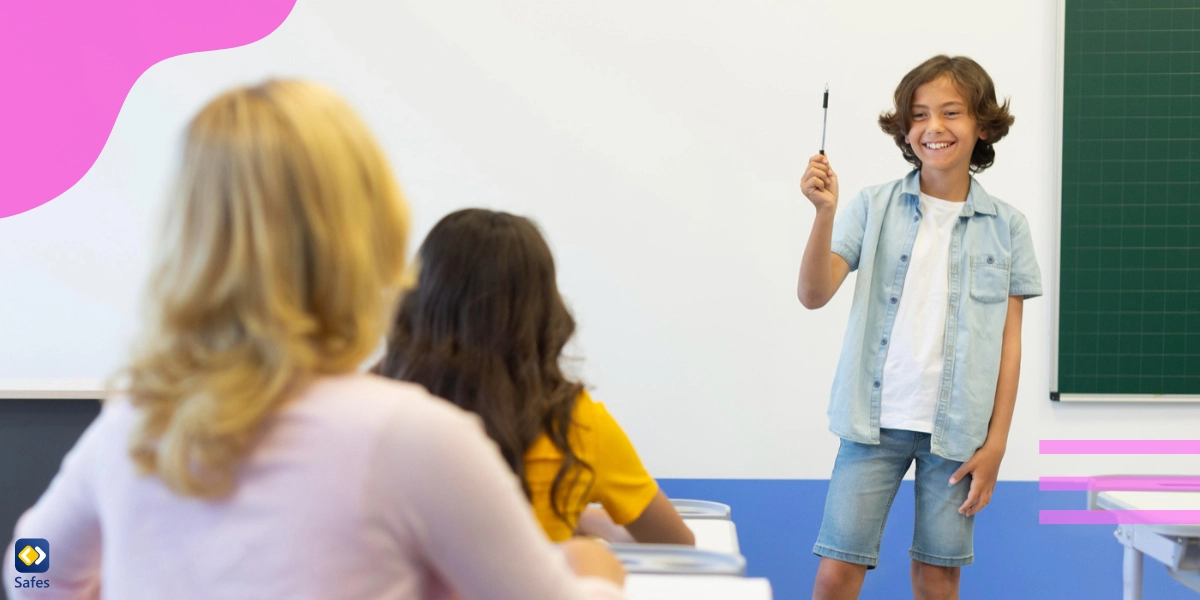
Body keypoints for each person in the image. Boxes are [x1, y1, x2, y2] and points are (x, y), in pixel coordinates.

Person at [5, 80, 625, 600]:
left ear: (188, 240)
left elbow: (28, 568)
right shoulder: (416, 438)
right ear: (370, 235)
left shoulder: (136, 428)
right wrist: (594, 572)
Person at [796, 56, 1042, 600]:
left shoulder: (1009, 227)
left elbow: (1011, 344)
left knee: (937, 579)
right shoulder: (872, 205)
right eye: (919, 115)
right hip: (871, 423)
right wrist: (823, 215)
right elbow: (813, 295)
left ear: (982, 124)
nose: (933, 127)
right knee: (836, 574)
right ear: (905, 130)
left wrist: (996, 444)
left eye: (951, 112)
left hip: (958, 434)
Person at [376, 208, 694, 546]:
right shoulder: (578, 427)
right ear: (545, 312)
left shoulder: (371, 407)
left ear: (418, 298)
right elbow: (677, 543)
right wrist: (573, 513)